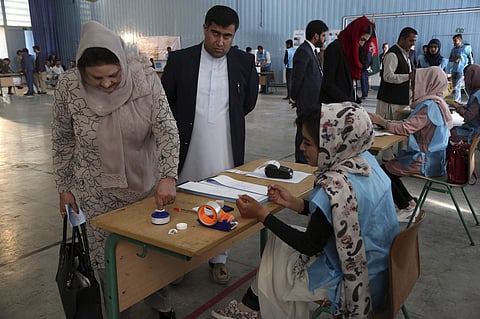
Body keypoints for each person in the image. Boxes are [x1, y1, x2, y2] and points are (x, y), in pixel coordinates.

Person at [212, 103, 399, 319]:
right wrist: (296, 204)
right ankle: (250, 306)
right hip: (381, 270)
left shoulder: (336, 186)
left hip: (355, 283)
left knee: (278, 255)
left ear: (332, 144)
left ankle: (252, 308)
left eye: (308, 143)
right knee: (279, 244)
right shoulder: (366, 164)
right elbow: (341, 217)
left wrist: (262, 214)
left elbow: (309, 245)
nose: (301, 148)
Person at [51, 21, 180, 319]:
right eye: (96, 78)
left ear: (122, 62)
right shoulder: (69, 87)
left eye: (113, 75)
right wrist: (65, 187)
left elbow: (166, 130)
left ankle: (160, 303)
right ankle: (115, 307)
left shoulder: (145, 79)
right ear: (82, 70)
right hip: (96, 190)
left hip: (144, 186)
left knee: (150, 252)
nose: (107, 84)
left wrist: (168, 176)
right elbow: (62, 139)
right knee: (103, 259)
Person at [161, 5, 259, 285]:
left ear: (234, 35)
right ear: (205, 28)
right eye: (215, 34)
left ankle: (219, 259)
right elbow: (166, 103)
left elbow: (247, 103)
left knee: (223, 202)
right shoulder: (180, 60)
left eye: (227, 36)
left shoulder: (244, 61)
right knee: (184, 202)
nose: (220, 42)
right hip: (187, 147)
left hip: (225, 147)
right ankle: (180, 260)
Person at [370, 66, 452, 219]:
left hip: (423, 160)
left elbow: (406, 128)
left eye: (416, 83)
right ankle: (408, 202)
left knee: (381, 171)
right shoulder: (439, 103)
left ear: (428, 83)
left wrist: (382, 121)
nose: (413, 87)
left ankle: (406, 206)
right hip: (435, 157)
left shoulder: (428, 107)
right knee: (388, 168)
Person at [290, 19, 329, 164]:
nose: (325, 39)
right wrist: (294, 97)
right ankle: (301, 163)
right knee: (303, 134)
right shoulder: (303, 51)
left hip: (313, 101)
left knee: (308, 133)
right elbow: (297, 77)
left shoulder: (312, 51)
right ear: (316, 36)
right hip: (306, 101)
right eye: (323, 36)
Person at [320, 15, 375, 104]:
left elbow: (349, 82)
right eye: (361, 39)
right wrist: (348, 101)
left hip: (346, 103)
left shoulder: (352, 52)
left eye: (365, 41)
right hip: (334, 105)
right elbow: (328, 83)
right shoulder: (335, 49)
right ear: (354, 35)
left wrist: (355, 99)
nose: (362, 44)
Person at [376, 27, 417, 122]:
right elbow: (387, 77)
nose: (413, 44)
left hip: (401, 101)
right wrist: (409, 76)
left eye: (414, 41)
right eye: (410, 40)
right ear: (402, 39)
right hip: (390, 102)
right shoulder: (392, 54)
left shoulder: (406, 54)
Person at [450, 64, 480, 143]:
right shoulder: (477, 92)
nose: (466, 81)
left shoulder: (478, 94)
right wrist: (459, 105)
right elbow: (474, 109)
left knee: (452, 132)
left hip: (477, 132)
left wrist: (457, 107)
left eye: (467, 77)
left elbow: (468, 116)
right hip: (476, 127)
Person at [449, 34, 474, 103]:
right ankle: (456, 100)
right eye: (453, 41)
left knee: (457, 86)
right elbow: (450, 59)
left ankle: (456, 101)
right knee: (454, 87)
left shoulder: (466, 48)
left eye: (455, 41)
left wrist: (470, 69)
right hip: (454, 70)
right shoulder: (453, 49)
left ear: (460, 40)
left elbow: (471, 59)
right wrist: (454, 59)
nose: (454, 42)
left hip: (462, 70)